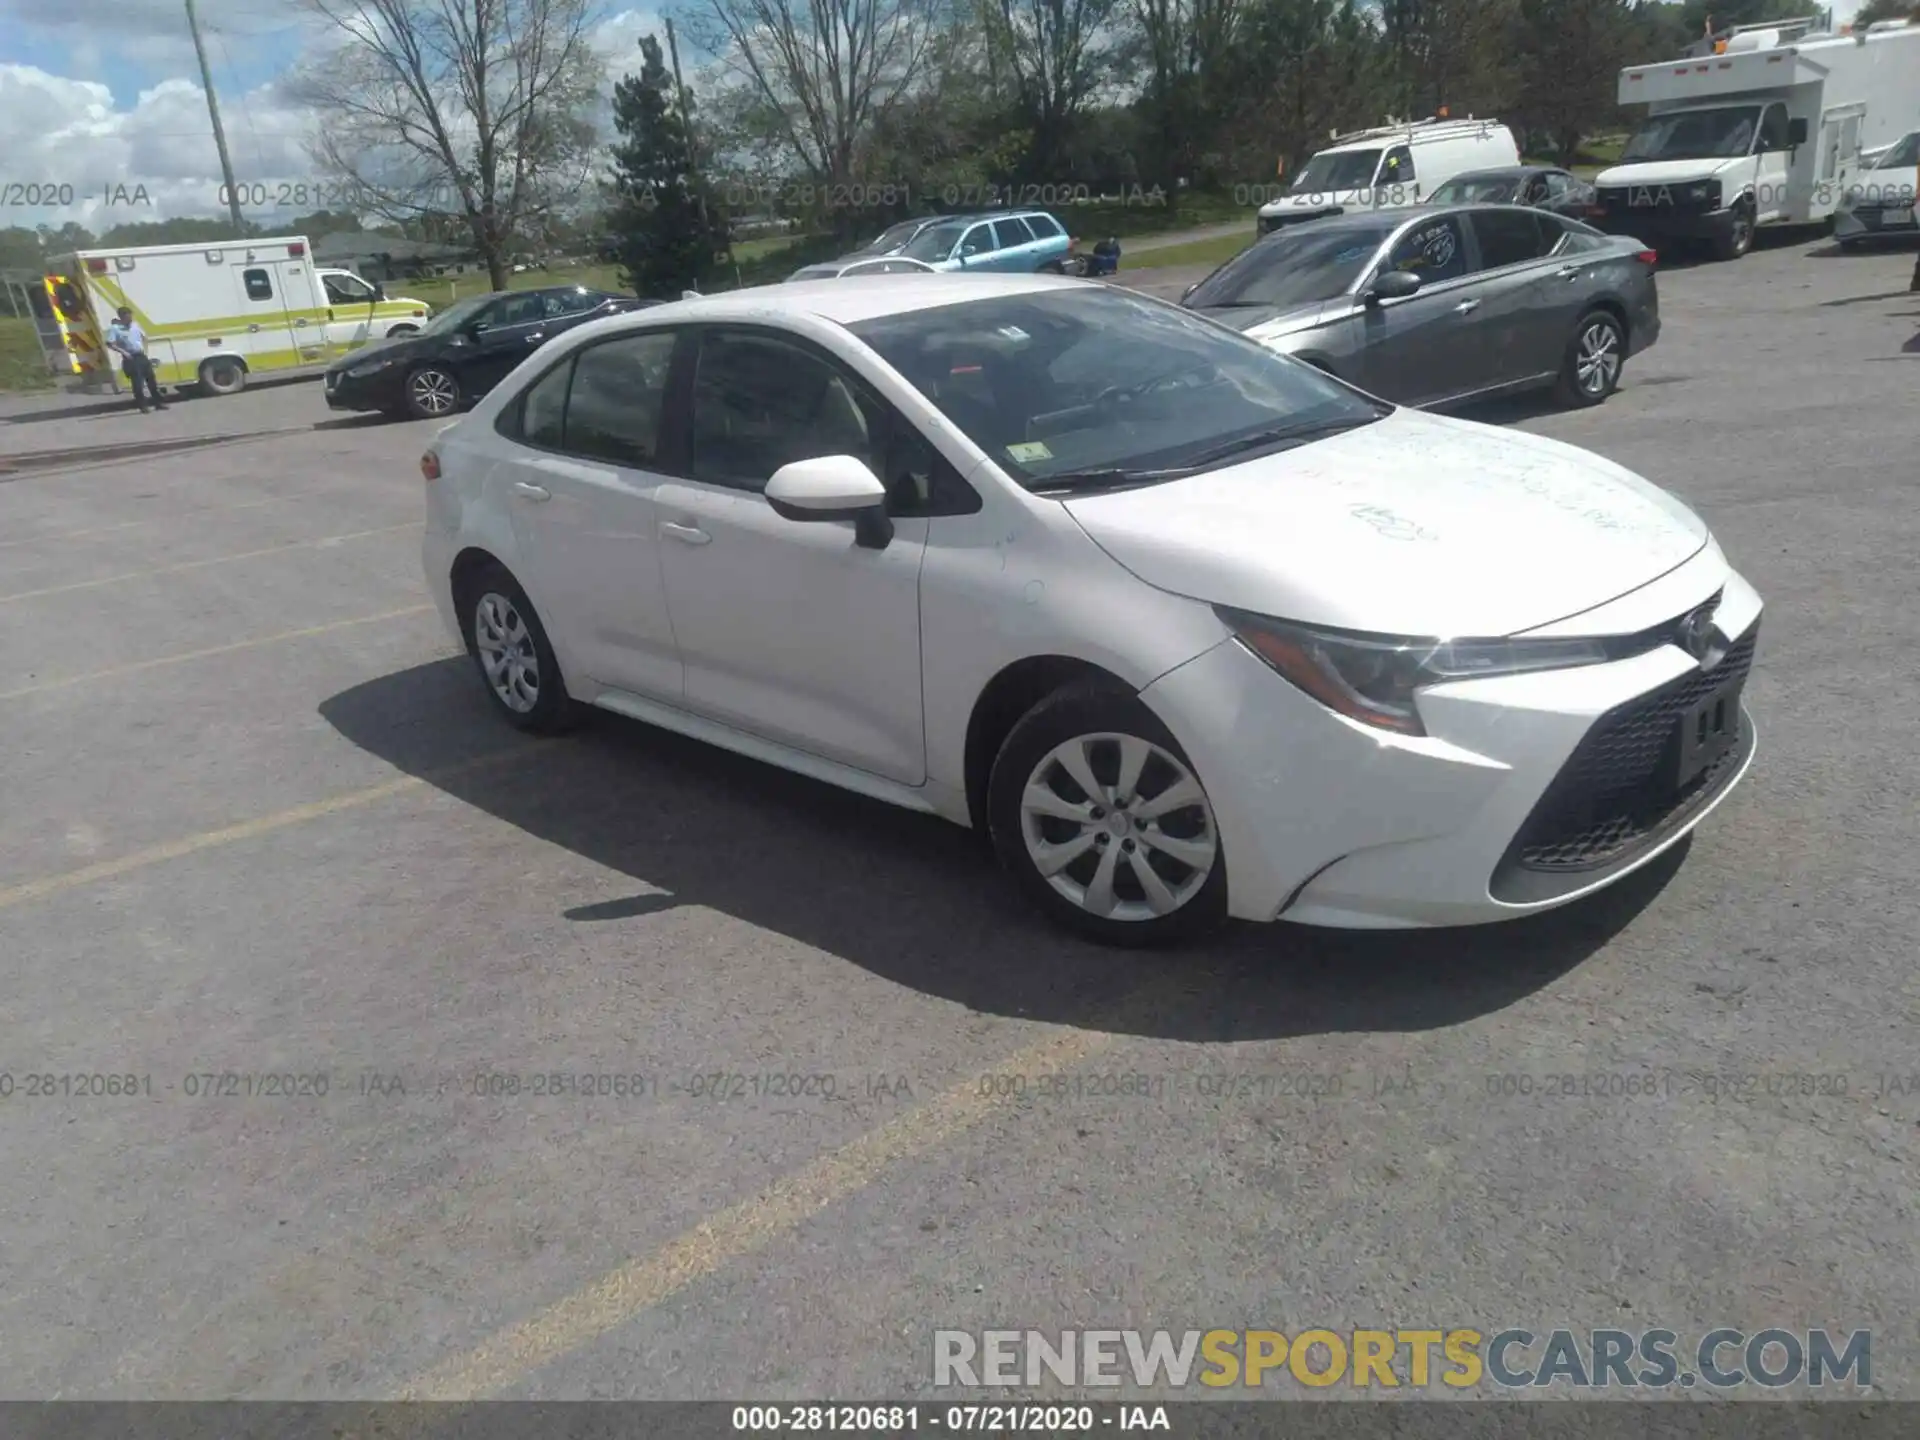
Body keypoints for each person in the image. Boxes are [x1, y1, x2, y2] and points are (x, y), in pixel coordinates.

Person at [104, 306, 167, 412]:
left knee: (151, 380)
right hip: (131, 358)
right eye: (127, 317)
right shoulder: (115, 329)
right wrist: (123, 352)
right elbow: (110, 344)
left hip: (142, 356)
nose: (130, 319)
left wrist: (145, 350)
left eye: (130, 316)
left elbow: (143, 337)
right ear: (121, 317)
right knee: (138, 384)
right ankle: (143, 406)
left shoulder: (135, 325)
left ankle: (158, 403)